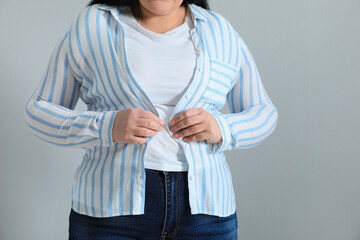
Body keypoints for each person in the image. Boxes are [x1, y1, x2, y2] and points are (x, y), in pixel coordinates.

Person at [24, 0, 278, 239]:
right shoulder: (93, 24)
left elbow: (263, 112)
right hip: (109, 210)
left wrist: (221, 127)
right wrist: (106, 126)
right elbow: (39, 110)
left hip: (206, 211)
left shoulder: (219, 30)